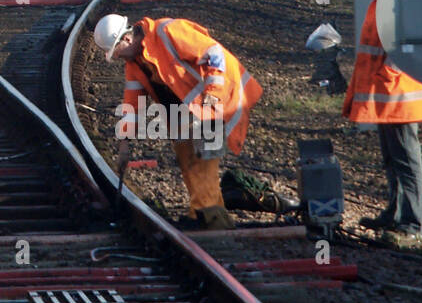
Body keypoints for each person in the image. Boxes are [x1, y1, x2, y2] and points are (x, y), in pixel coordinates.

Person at [94, 12, 292, 229]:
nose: (117, 58)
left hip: (218, 99)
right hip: (189, 111)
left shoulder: (168, 32)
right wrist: (124, 144)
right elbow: (132, 105)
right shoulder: (135, 63)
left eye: (116, 52)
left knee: (202, 159)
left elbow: (215, 55)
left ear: (127, 39)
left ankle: (211, 219)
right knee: (186, 155)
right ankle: (201, 213)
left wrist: (212, 98)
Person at [343, 0, 422, 242]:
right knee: (393, 157)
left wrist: (389, 71)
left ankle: (413, 223)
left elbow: (410, 43)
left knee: (407, 158)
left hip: (401, 95)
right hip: (389, 93)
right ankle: (397, 212)